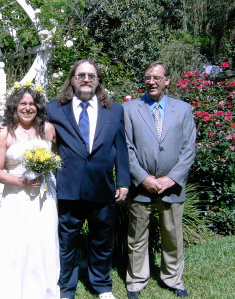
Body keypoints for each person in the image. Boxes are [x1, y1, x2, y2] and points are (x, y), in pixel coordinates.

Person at [47, 59, 131, 299]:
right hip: (68, 186)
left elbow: (121, 147)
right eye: (81, 75)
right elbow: (29, 128)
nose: (86, 79)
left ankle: (102, 286)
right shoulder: (54, 108)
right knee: (68, 241)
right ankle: (67, 288)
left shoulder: (114, 110)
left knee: (102, 239)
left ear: (98, 81)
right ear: (72, 80)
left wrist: (123, 181)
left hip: (103, 186)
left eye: (91, 76)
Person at [122, 61, 196, 299]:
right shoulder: (130, 109)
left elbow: (188, 149)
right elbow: (126, 148)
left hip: (171, 188)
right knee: (136, 237)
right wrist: (143, 178)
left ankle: (173, 278)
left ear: (167, 80)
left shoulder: (183, 109)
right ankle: (136, 280)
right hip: (141, 185)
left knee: (172, 235)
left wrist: (172, 178)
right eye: (147, 78)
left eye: (156, 78)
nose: (151, 82)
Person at [0, 84, 60, 299]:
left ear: (38, 107)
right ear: (14, 107)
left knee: (43, 240)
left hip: (45, 196)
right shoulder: (4, 133)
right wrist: (22, 182)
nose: (28, 108)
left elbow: (54, 158)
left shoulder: (47, 129)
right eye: (23, 104)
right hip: (16, 197)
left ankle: (43, 290)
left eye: (32, 104)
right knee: (18, 243)